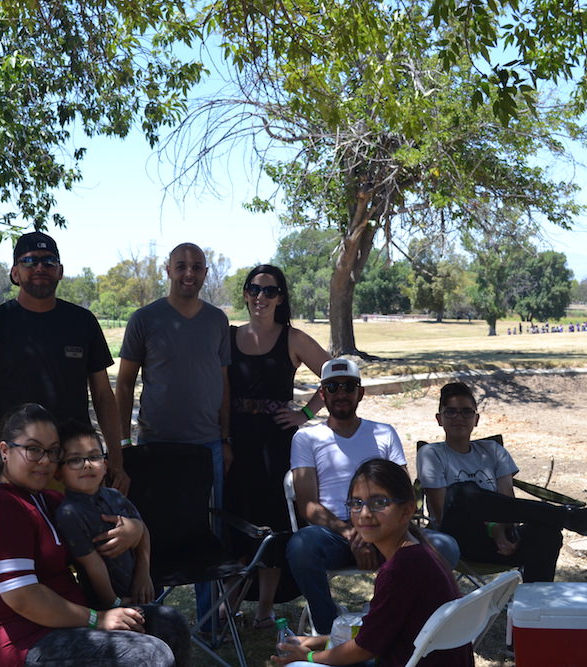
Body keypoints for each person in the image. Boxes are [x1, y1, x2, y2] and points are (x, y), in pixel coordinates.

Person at [0, 403, 189, 667]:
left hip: (70, 625)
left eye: (53, 452)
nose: (45, 460)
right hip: (28, 642)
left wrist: (135, 529)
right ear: (5, 451)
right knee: (149, 654)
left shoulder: (45, 499)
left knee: (171, 624)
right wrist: (98, 619)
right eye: (33, 449)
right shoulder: (0, 509)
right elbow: (23, 598)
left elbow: (109, 525)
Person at [286, 358, 460, 634]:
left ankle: (395, 616)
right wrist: (352, 534)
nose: (341, 393)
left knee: (445, 546)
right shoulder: (307, 438)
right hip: (335, 535)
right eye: (332, 387)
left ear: (361, 393)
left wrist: (375, 532)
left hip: (386, 530)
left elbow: (403, 493)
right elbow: (307, 505)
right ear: (322, 394)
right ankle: (330, 629)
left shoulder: (383, 432)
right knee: (300, 546)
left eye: (349, 386)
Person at [114, 242, 230, 632]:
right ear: (167, 269)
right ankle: (152, 622)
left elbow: (224, 383)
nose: (189, 273)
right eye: (181, 265)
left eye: (197, 267)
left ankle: (210, 626)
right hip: (155, 447)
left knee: (207, 533)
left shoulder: (217, 321)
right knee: (155, 532)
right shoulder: (144, 319)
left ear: (205, 273)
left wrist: (226, 437)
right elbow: (125, 382)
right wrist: (123, 444)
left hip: (207, 445)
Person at [0, 231, 128, 492]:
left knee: (80, 530)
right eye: (29, 261)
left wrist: (116, 461)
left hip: (75, 462)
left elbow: (104, 396)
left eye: (49, 261)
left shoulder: (83, 322)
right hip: (20, 466)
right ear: (15, 273)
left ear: (60, 271)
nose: (40, 267)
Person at [271, 459, 473, 667]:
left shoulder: (399, 570)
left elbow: (365, 649)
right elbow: (380, 631)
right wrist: (320, 641)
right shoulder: (421, 552)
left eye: (379, 503)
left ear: (406, 510)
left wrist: (308, 657)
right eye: (356, 503)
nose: (365, 514)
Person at [417, 381, 587, 583]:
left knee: (547, 532)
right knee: (461, 492)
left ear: (476, 419)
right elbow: (443, 514)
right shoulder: (431, 454)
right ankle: (570, 517)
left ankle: (535, 604)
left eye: (466, 412)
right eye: (450, 412)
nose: (458, 418)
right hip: (457, 541)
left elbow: (508, 505)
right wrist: (492, 528)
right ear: (439, 419)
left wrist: (503, 530)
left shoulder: (493, 451)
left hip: (500, 542)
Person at [224, 264, 330, 628]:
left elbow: (337, 374)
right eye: (254, 289)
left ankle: (265, 611)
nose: (260, 297)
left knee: (272, 524)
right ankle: (231, 605)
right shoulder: (229, 335)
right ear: (245, 293)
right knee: (234, 521)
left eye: (270, 291)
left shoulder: (294, 338)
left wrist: (305, 413)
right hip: (234, 441)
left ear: (281, 297)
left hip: (276, 445)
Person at [54, 421, 154, 610]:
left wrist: (144, 573)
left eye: (94, 457)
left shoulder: (115, 496)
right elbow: (94, 565)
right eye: (75, 460)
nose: (87, 465)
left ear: (105, 465)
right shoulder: (69, 513)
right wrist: (114, 603)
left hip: (140, 589)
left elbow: (142, 531)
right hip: (104, 604)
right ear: (59, 473)